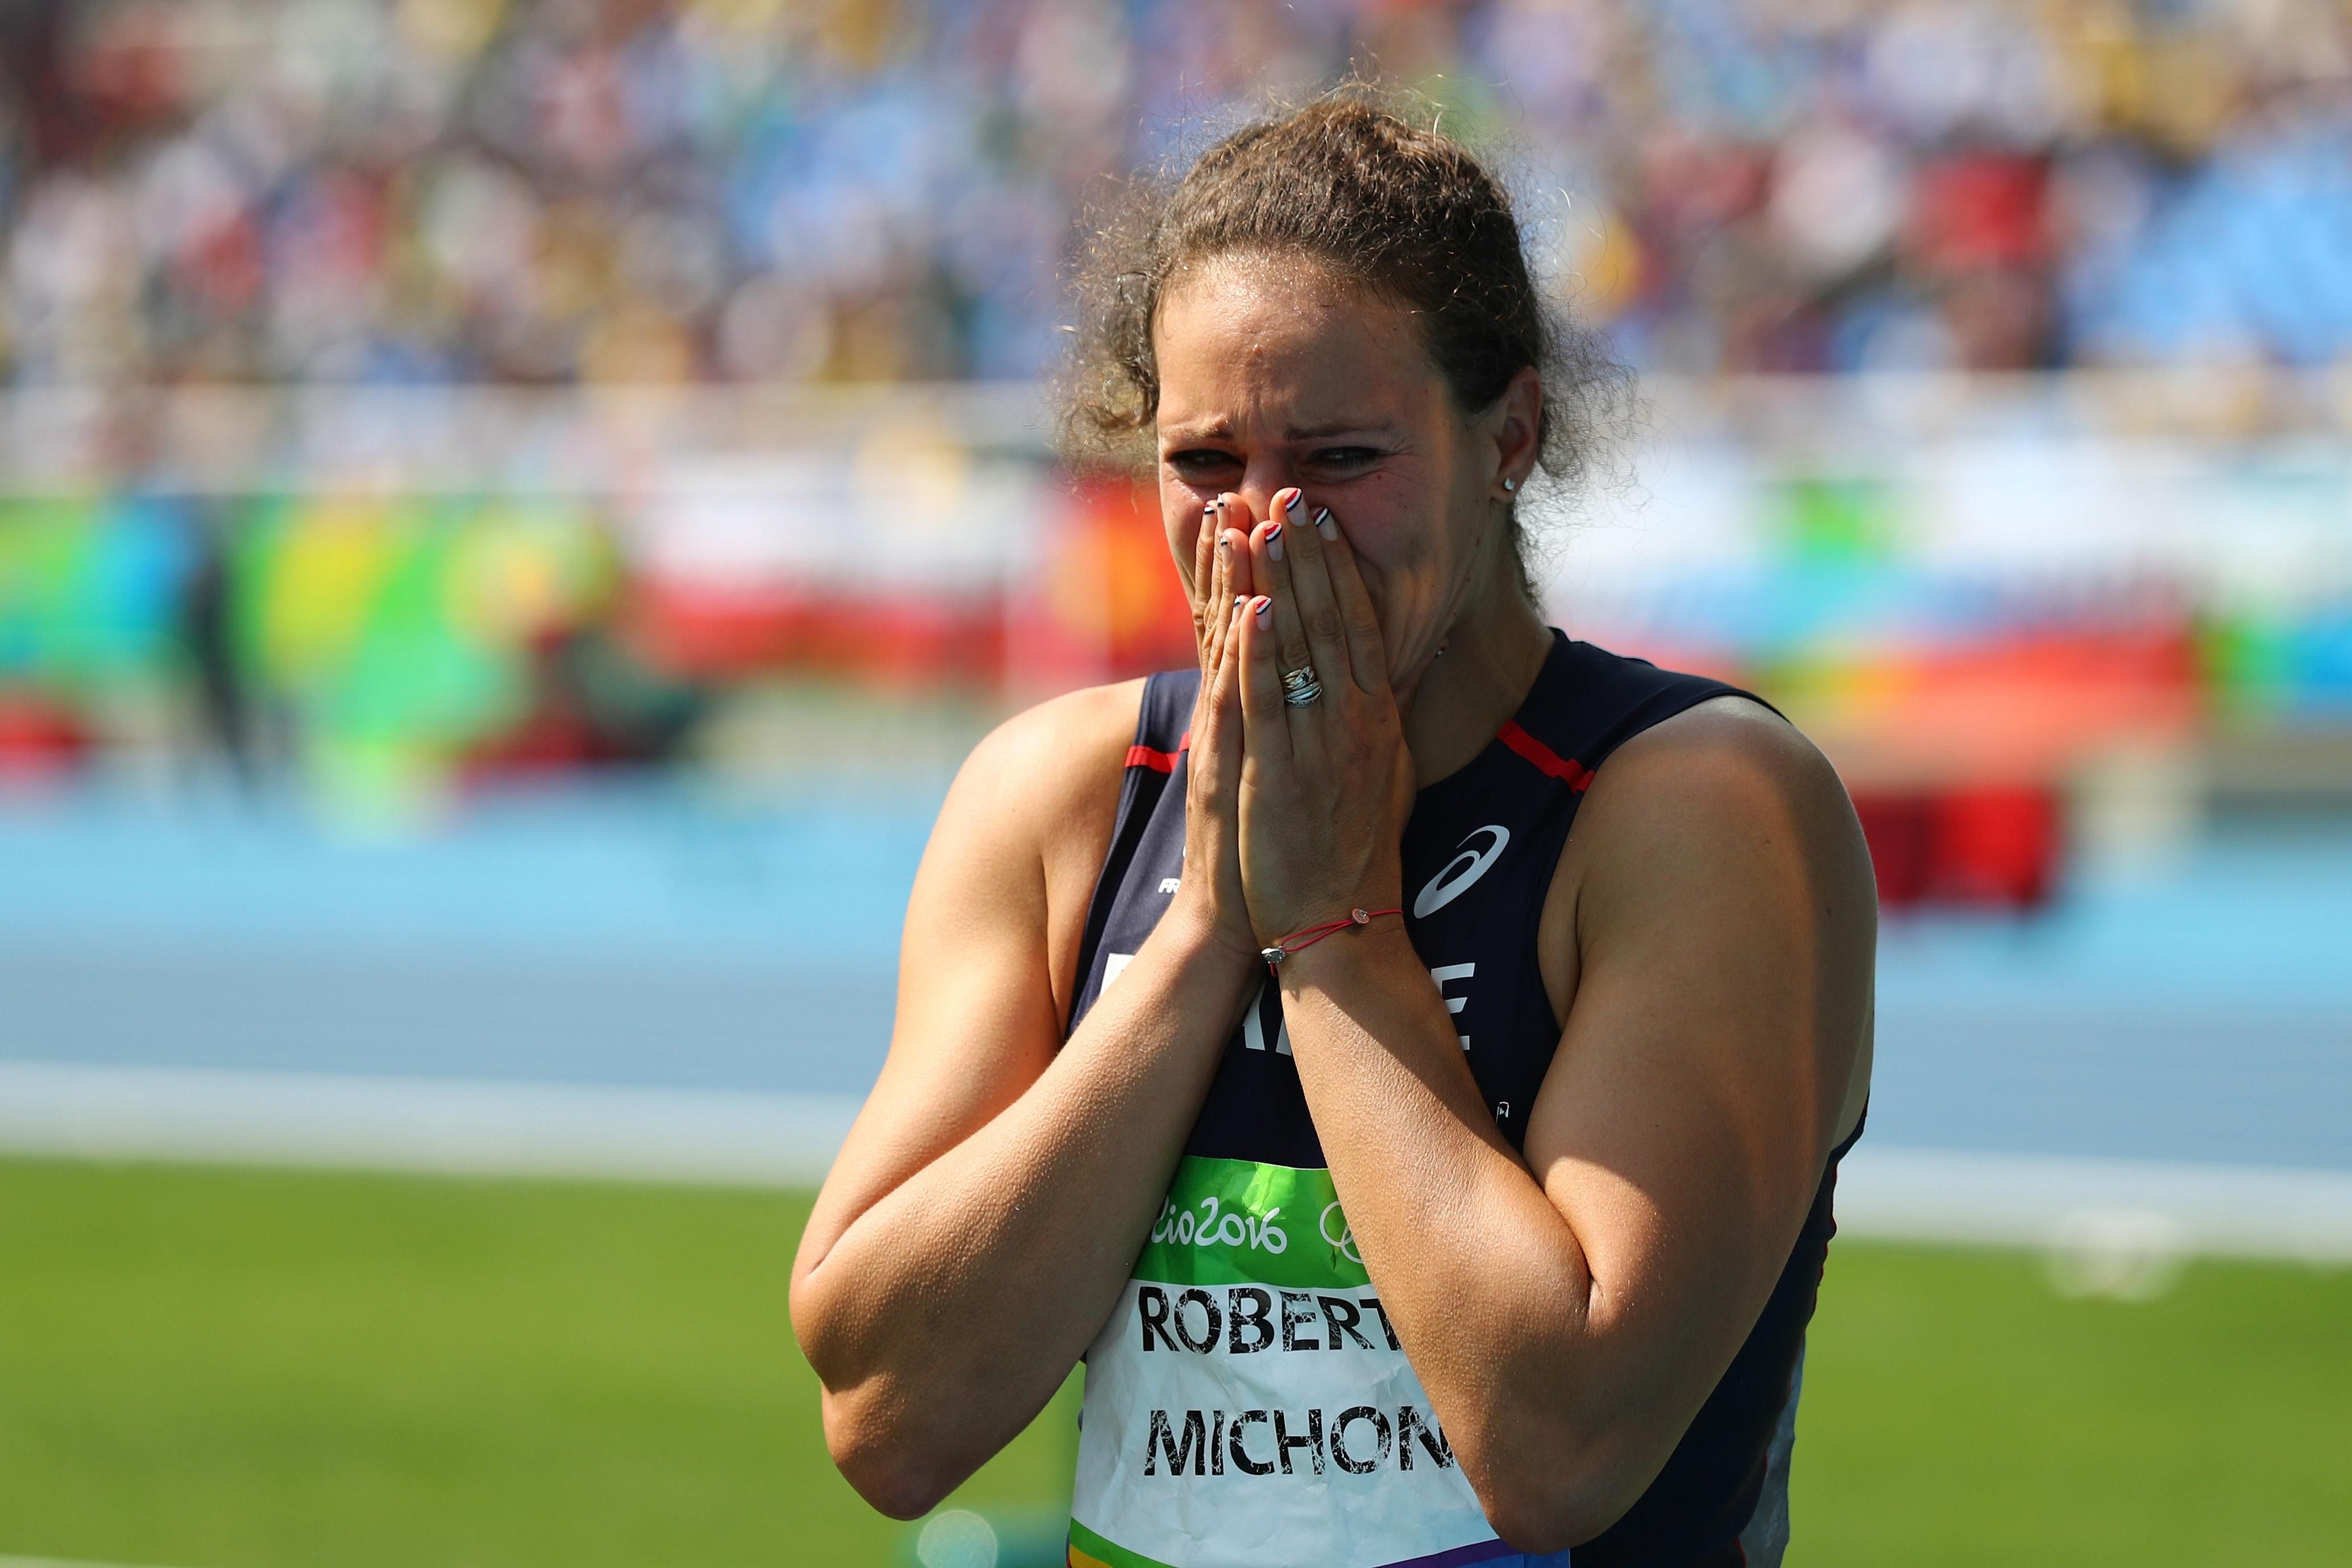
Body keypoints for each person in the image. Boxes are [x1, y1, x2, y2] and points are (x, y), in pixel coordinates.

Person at [790, 96, 1876, 1568]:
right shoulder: (1062, 794)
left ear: (1511, 435)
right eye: (1201, 463)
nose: (1262, 528)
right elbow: (887, 1416)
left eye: (1341, 459)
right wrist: (1198, 936)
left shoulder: (1692, 808)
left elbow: (1558, 1447)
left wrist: (1335, 927)